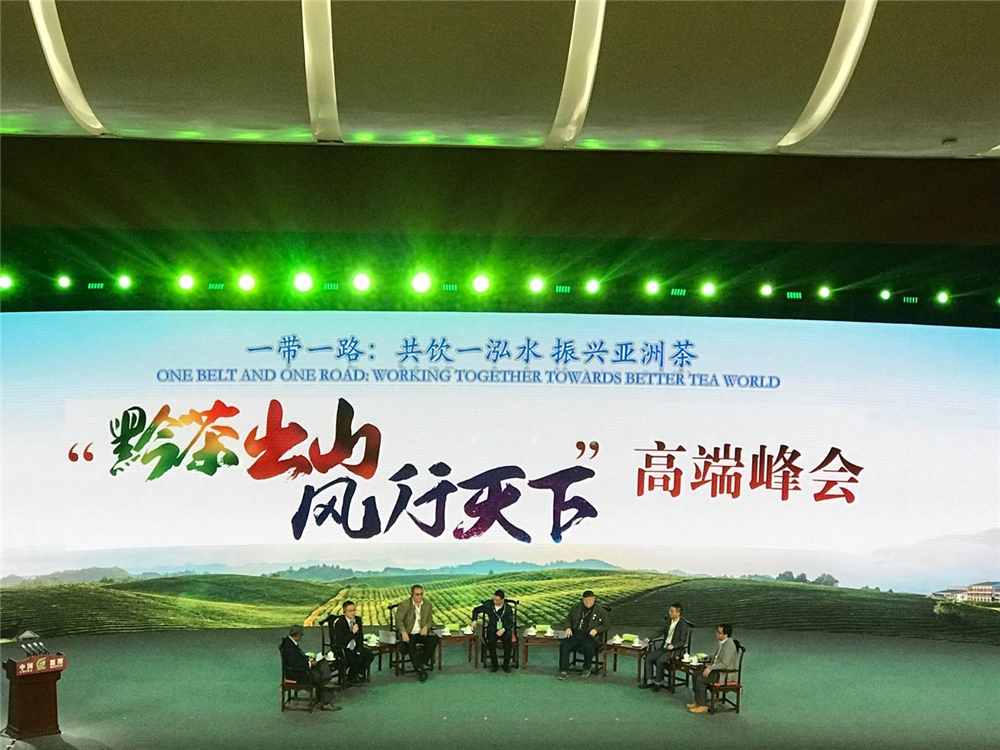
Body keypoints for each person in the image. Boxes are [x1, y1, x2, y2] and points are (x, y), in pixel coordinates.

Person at [279, 624, 341, 711]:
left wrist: (308, 660)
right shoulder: (289, 647)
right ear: (298, 635)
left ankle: (326, 683)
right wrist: (309, 664)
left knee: (322, 663)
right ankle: (326, 700)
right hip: (297, 674)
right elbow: (294, 664)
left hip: (300, 669)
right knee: (320, 676)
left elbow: (297, 659)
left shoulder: (289, 643)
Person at [557, 590, 610, 680]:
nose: (587, 602)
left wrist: (596, 630)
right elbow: (568, 619)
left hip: (589, 635)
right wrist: (568, 627)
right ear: (582, 600)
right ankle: (563, 670)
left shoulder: (601, 611)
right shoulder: (576, 608)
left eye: (589, 600)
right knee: (564, 644)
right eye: (585, 600)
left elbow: (606, 625)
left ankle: (586, 668)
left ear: (594, 599)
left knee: (589, 646)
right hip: (575, 633)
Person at [639, 602, 690, 692]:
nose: (670, 613)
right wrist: (650, 638)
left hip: (676, 650)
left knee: (660, 661)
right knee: (649, 658)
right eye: (669, 610)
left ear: (678, 613)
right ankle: (649, 680)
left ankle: (658, 682)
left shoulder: (683, 625)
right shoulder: (668, 621)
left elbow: (682, 641)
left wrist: (674, 645)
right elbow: (660, 631)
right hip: (665, 647)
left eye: (672, 611)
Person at [689, 624, 738, 714]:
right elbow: (717, 658)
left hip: (723, 674)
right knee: (695, 674)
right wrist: (706, 657)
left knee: (700, 679)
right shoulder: (723, 643)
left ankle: (703, 706)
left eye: (719, 633)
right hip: (717, 671)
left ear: (725, 635)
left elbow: (724, 664)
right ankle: (698, 701)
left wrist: (710, 668)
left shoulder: (729, 646)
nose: (716, 634)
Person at [395, 584, 439, 682]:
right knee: (410, 645)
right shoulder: (405, 605)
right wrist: (403, 632)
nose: (419, 596)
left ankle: (421, 661)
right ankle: (420, 670)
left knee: (434, 639)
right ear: (412, 595)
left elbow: (430, 620)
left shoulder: (427, 604)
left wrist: (426, 627)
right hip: (409, 633)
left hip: (421, 633)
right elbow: (399, 621)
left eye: (421, 594)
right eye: (417, 594)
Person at [331, 600, 375, 686]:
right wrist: (352, 633)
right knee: (356, 659)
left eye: (354, 610)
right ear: (344, 611)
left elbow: (360, 636)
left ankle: (354, 675)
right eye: (350, 610)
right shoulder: (340, 623)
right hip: (343, 648)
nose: (353, 613)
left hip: (355, 647)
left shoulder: (357, 620)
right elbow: (341, 641)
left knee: (369, 655)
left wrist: (359, 649)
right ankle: (352, 677)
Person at [471, 589, 515, 672]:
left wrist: (504, 629)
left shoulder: (508, 609)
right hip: (492, 628)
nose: (494, 602)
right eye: (494, 599)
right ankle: (495, 665)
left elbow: (510, 623)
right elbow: (476, 610)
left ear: (502, 600)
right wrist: (474, 620)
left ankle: (506, 665)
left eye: (497, 600)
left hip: (504, 629)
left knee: (508, 642)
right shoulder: (489, 605)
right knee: (491, 642)